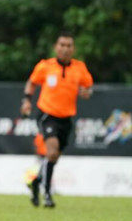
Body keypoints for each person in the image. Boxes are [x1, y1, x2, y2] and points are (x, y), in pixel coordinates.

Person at [20, 31, 93, 208]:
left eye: (69, 45)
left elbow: (88, 88)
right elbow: (31, 83)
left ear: (73, 48)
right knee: (51, 153)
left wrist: (87, 93)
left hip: (67, 118)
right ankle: (47, 194)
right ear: (56, 47)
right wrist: (27, 101)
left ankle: (36, 181)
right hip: (47, 115)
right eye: (62, 45)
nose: (65, 49)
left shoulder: (79, 68)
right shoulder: (45, 66)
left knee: (54, 158)